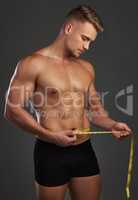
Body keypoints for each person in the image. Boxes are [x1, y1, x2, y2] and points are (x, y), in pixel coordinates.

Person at [4, 4, 132, 200]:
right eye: (85, 39)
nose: (87, 47)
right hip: (51, 152)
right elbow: (11, 111)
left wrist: (113, 124)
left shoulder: (86, 67)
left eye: (91, 42)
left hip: (84, 150)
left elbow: (96, 110)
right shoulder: (32, 63)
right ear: (69, 28)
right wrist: (50, 136)